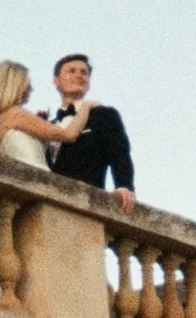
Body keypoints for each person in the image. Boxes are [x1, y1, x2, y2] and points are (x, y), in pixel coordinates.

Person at [46, 54, 135, 213]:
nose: (79, 75)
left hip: (86, 206)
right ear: (56, 81)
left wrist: (124, 186)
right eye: (71, 71)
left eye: (84, 72)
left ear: (89, 83)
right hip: (48, 204)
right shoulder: (47, 125)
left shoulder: (104, 115)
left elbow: (120, 153)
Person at [0, 59, 95, 167]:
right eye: (28, 85)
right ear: (18, 87)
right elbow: (69, 135)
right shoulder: (16, 114)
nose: (31, 90)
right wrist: (86, 106)